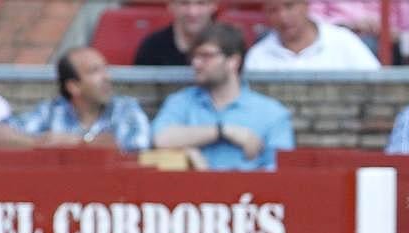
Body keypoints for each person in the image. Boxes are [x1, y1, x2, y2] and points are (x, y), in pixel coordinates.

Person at [151, 23, 295, 170]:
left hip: (250, 191)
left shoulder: (271, 113)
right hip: (190, 191)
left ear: (233, 61)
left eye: (206, 56)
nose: (196, 63)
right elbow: (160, 139)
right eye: (194, 56)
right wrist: (221, 131)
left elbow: (280, 172)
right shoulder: (181, 102)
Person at [0, 47, 151, 152]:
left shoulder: (125, 109)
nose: (106, 77)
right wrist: (40, 142)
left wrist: (78, 143)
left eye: (105, 69)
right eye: (94, 71)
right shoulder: (50, 111)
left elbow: (140, 149)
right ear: (73, 86)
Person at [243, 0, 381, 71]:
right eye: (273, 10)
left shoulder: (343, 41)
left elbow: (377, 85)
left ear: (306, 4)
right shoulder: (258, 56)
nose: (283, 17)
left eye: (289, 6)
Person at [133, 0, 217, 66]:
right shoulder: (152, 46)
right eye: (184, 3)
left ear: (214, 5)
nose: (192, 12)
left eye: (201, 3)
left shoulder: (228, 44)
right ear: (171, 5)